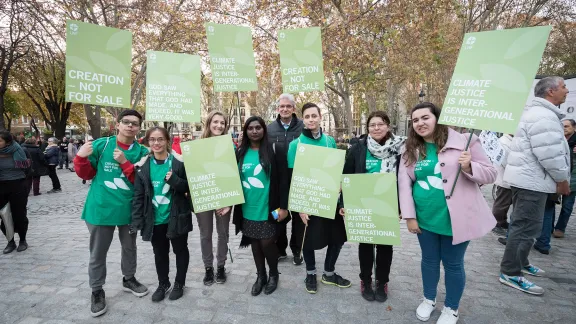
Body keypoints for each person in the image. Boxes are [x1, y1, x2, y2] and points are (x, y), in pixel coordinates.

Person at [398, 102, 496, 324]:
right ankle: (428, 299)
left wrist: (470, 167)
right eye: (415, 120)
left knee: (453, 264)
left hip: (457, 218)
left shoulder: (466, 142)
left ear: (437, 118)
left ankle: (451, 307)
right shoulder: (410, 149)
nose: (420, 123)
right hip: (425, 218)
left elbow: (491, 174)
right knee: (429, 261)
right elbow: (404, 184)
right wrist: (410, 216)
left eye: (425, 118)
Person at [74, 110, 150, 317]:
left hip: (129, 210)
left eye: (134, 123)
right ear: (117, 124)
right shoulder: (102, 145)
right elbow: (87, 174)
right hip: (101, 209)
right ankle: (97, 290)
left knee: (129, 247)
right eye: (126, 122)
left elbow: (142, 183)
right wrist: (80, 158)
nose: (130, 126)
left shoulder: (143, 152)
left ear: (139, 128)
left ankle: (129, 278)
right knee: (98, 252)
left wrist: (125, 162)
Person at [499, 76, 570, 295]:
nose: (567, 90)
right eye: (564, 86)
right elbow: (549, 153)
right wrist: (562, 180)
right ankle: (511, 272)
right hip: (532, 183)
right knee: (524, 228)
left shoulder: (540, 114)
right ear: (550, 91)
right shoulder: (543, 116)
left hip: (531, 181)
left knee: (529, 227)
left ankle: (521, 262)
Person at [342, 111, 406, 302]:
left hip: (388, 204)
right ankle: (366, 280)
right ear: (367, 128)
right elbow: (347, 176)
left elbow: (405, 179)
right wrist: (344, 203)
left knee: (385, 246)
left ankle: (382, 282)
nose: (376, 128)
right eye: (372, 125)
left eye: (380, 124)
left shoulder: (400, 149)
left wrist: (403, 207)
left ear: (388, 126)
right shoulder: (357, 148)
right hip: (362, 204)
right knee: (366, 245)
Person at [287, 102, 350, 294]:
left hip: (329, 199)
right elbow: (292, 177)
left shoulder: (330, 141)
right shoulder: (295, 145)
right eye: (307, 117)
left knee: (338, 238)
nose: (311, 120)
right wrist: (300, 207)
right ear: (302, 119)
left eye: (314, 116)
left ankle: (329, 273)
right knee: (308, 240)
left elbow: (337, 171)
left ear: (320, 117)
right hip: (307, 201)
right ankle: (311, 273)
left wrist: (340, 193)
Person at [132, 127, 193, 302]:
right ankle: (163, 283)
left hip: (176, 216)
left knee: (180, 250)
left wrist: (174, 180)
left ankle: (179, 283)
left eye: (160, 139)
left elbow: (190, 186)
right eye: (152, 140)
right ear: (148, 142)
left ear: (168, 141)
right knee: (159, 252)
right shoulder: (143, 166)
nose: (156, 143)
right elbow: (138, 196)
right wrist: (136, 220)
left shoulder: (179, 163)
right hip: (154, 219)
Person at [233, 116, 288, 296]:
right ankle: (261, 276)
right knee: (255, 243)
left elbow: (284, 180)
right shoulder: (240, 152)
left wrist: (284, 207)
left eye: (258, 127)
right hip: (247, 208)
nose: (254, 131)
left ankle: (273, 274)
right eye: (250, 128)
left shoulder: (275, 149)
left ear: (264, 129)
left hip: (271, 208)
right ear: (246, 131)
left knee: (267, 243)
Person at [267, 93, 304, 264]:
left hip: (298, 177)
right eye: (282, 106)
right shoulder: (270, 129)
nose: (285, 109)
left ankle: (297, 250)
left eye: (288, 106)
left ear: (294, 109)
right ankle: (280, 249)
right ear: (278, 109)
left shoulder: (303, 127)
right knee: (278, 215)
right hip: (277, 179)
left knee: (298, 217)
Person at [197, 110, 233, 286]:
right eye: (216, 122)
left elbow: (234, 174)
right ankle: (208, 268)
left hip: (224, 196)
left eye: (222, 123)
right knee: (205, 234)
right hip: (204, 194)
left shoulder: (229, 146)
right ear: (209, 123)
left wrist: (229, 200)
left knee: (223, 233)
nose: (219, 125)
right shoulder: (198, 145)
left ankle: (220, 266)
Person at [0, 131, 31, 253]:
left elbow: (27, 168)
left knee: (19, 214)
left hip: (17, 184)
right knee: (4, 215)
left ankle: (22, 240)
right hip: (1, 186)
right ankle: (10, 241)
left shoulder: (19, 150)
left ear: (7, 142)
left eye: (0, 140)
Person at [553, 119, 576, 238]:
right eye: (562, 126)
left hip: (572, 180)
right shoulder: (557, 139)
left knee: (567, 206)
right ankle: (548, 227)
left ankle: (560, 228)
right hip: (556, 178)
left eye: (567, 126)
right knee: (550, 204)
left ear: (574, 128)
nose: (564, 128)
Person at [491, 134, 514, 237]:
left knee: (505, 202)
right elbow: (505, 162)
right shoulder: (504, 142)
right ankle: (496, 223)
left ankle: (502, 221)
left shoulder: (510, 140)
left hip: (508, 177)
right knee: (502, 203)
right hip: (505, 177)